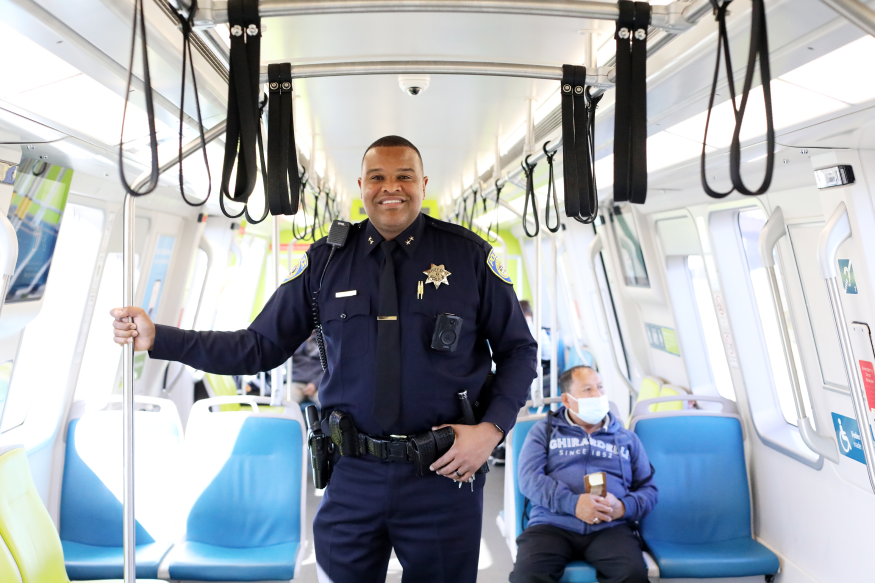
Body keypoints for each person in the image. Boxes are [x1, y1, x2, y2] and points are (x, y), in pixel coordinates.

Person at [111, 135, 537, 583]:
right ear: (361, 185)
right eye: (378, 177)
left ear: (423, 183)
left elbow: (519, 350)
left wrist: (491, 432)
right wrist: (159, 338)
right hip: (353, 476)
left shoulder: (468, 257)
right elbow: (258, 347)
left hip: (445, 472)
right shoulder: (325, 263)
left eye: (404, 176)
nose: (391, 187)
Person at [510, 365, 657, 583]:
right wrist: (573, 503)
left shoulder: (627, 439)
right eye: (587, 390)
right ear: (567, 400)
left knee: (631, 575)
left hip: (610, 526)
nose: (597, 395)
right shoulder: (544, 432)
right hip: (553, 524)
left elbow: (649, 491)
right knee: (527, 575)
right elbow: (529, 480)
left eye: (599, 387)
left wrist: (623, 508)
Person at [289, 332, 324, 406]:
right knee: (286, 400)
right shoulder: (292, 340)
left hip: (319, 384)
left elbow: (330, 368)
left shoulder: (325, 340)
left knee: (328, 401)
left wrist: (315, 384)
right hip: (295, 383)